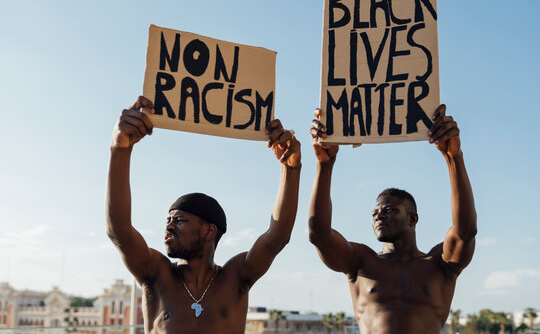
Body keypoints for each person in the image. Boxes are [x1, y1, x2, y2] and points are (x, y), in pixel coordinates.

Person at [106, 96, 301, 333]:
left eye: (179, 220)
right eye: (168, 221)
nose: (168, 227)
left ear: (209, 231)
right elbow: (120, 232)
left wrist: (290, 169)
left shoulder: (234, 278)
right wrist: (119, 149)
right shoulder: (158, 275)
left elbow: (277, 236)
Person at [308, 104, 477, 334]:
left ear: (412, 219)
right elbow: (319, 235)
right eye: (375, 213)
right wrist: (324, 165)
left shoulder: (440, 264)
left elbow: (465, 231)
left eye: (388, 210)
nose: (379, 215)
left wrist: (453, 157)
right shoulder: (361, 262)